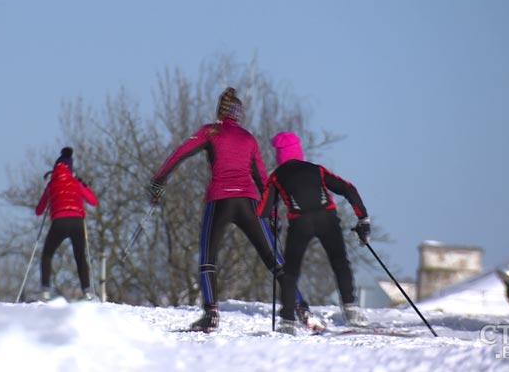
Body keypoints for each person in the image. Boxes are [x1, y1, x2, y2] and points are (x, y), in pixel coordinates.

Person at [148, 87, 311, 332]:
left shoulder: (210, 131)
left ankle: (211, 314)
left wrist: (159, 180)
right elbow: (262, 179)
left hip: (219, 201)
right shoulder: (248, 138)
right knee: (274, 260)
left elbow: (179, 153)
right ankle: (301, 306)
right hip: (249, 203)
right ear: (238, 114)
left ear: (220, 110)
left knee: (208, 260)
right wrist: (273, 214)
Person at [256, 131, 371, 334]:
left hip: (300, 222)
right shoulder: (315, 169)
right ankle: (351, 310)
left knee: (291, 271)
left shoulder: (276, 176)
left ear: (279, 156)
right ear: (298, 151)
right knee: (340, 263)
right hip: (327, 217)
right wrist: (363, 220)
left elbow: (262, 210)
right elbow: (348, 189)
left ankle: (288, 320)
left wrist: (274, 221)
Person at [35, 147, 99, 301]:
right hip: (77, 222)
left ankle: (45, 292)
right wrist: (85, 186)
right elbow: (93, 201)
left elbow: (39, 210)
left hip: (59, 222)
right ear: (71, 168)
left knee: (47, 254)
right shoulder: (76, 183)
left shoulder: (51, 184)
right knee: (80, 256)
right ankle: (87, 292)